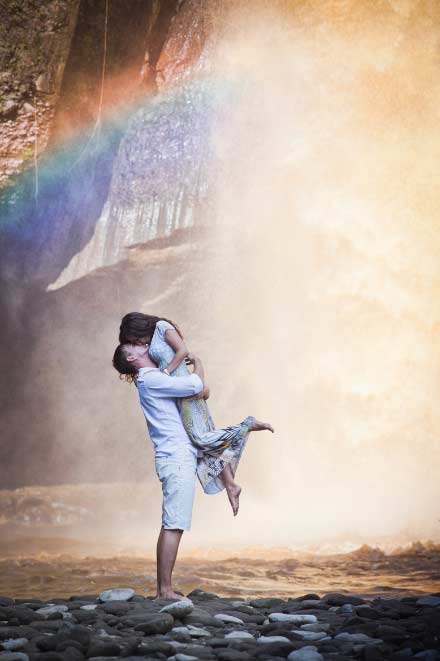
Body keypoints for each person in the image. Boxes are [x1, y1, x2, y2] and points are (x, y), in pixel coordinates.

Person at [112, 341, 273, 599]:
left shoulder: (155, 378)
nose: (144, 345)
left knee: (176, 518)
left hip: (182, 452)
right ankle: (164, 590)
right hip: (175, 457)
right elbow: (196, 385)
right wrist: (197, 362)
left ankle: (231, 483)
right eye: (136, 346)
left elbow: (199, 395)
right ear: (131, 358)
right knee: (173, 523)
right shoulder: (150, 378)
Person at [118, 313, 274, 515]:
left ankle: (246, 426)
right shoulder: (150, 346)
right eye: (132, 342)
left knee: (201, 438)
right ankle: (230, 485)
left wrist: (168, 373)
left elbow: (183, 350)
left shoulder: (162, 326)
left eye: (133, 338)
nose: (136, 342)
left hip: (184, 385)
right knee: (206, 441)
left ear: (138, 327)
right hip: (179, 390)